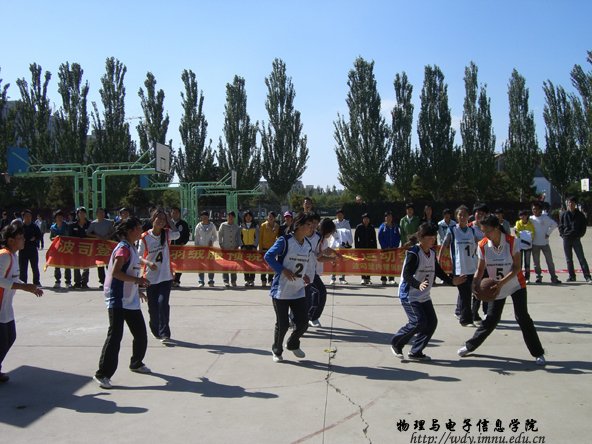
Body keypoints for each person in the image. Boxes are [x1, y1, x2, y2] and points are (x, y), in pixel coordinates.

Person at [457, 215, 547, 366]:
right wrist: (475, 283)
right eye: (483, 231)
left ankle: (538, 353)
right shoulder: (482, 245)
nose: (485, 234)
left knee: (522, 317)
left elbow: (517, 267)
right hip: (495, 287)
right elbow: (480, 269)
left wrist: (501, 283)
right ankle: (470, 346)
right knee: (491, 319)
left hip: (516, 285)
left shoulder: (512, 242)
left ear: (497, 228)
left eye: (487, 231)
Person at [391, 223, 465, 361]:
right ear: (421, 238)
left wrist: (452, 281)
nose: (433, 240)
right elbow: (407, 275)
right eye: (430, 237)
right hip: (409, 295)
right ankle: (396, 343)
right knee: (418, 322)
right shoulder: (414, 252)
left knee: (431, 322)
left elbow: (439, 272)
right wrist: (418, 284)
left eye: (434, 237)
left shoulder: (431, 253)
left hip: (424, 295)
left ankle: (416, 351)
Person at [93, 217, 152, 389]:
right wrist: (138, 281)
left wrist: (137, 289)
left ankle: (136, 363)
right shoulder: (123, 249)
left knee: (140, 334)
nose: (141, 231)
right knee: (115, 336)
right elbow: (116, 273)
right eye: (138, 228)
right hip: (117, 299)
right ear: (129, 230)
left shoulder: (132, 248)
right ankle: (102, 374)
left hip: (130, 299)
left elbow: (129, 273)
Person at [264, 212, 316, 363]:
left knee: (303, 322)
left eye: (312, 225)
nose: (311, 227)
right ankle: (277, 349)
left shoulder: (307, 245)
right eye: (308, 225)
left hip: (298, 289)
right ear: (298, 225)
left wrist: (304, 275)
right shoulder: (285, 241)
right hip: (281, 290)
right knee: (283, 324)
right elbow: (268, 256)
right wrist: (283, 270)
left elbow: (303, 263)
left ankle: (293, 343)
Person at [0, 224, 44, 383]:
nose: (24, 240)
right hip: (0, 306)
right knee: (3, 341)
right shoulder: (4, 256)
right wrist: (23, 287)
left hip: (6, 307)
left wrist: (29, 287)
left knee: (10, 337)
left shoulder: (13, 256)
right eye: (20, 238)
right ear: (11, 240)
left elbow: (14, 279)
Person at [139, 209, 180, 345]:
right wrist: (148, 263)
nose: (161, 221)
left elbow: (177, 234)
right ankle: (155, 327)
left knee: (163, 303)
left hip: (165, 276)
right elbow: (138, 256)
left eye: (164, 219)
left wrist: (170, 220)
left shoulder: (167, 233)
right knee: (153, 307)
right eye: (159, 218)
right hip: (150, 278)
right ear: (153, 219)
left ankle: (165, 333)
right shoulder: (145, 237)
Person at [438, 205, 480, 327]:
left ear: (468, 216)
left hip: (472, 266)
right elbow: (444, 245)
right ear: (456, 217)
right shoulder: (452, 230)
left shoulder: (472, 231)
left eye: (464, 215)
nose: (462, 217)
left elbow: (479, 244)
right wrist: (439, 260)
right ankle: (465, 320)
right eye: (460, 215)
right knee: (465, 294)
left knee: (470, 292)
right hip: (460, 268)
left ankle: (465, 314)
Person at [307, 217, 340, 327]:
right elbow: (319, 257)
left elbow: (326, 250)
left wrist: (336, 254)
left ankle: (307, 317)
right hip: (308, 271)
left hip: (313, 271)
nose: (330, 235)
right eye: (330, 232)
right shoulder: (316, 238)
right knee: (320, 292)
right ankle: (311, 317)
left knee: (312, 294)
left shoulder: (323, 240)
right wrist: (332, 258)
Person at [559, 196, 591, 283]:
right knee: (569, 259)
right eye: (569, 202)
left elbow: (583, 227)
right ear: (567, 204)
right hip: (566, 239)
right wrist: (562, 235)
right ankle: (572, 276)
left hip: (576, 239)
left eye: (572, 203)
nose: (571, 204)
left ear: (575, 204)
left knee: (581, 258)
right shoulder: (563, 214)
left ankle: (587, 276)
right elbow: (560, 226)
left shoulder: (580, 215)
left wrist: (580, 235)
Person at [530, 201, 561, 284]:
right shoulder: (530, 219)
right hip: (535, 244)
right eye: (533, 209)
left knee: (550, 262)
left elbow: (554, 224)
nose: (535, 211)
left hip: (545, 244)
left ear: (540, 210)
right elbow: (522, 224)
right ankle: (538, 277)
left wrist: (548, 233)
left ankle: (553, 277)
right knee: (536, 263)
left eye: (536, 209)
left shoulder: (545, 218)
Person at [87, 208, 115, 290]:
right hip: (98, 246)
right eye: (99, 213)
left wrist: (108, 236)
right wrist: (96, 236)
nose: (101, 214)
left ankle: (110, 281)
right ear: (96, 214)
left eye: (102, 213)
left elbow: (114, 231)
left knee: (109, 264)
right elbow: (88, 233)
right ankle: (102, 281)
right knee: (100, 264)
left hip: (108, 245)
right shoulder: (93, 223)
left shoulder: (109, 222)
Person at [194, 210, 218, 287]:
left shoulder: (212, 225)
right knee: (201, 265)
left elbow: (215, 236)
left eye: (206, 217)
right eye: (203, 217)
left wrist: (212, 240)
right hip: (201, 248)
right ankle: (201, 281)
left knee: (211, 264)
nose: (204, 218)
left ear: (208, 217)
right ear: (201, 217)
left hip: (210, 248)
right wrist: (196, 247)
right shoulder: (198, 226)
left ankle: (211, 280)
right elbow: (196, 237)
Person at [69, 207, 91, 289]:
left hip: (87, 248)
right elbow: (70, 236)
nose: (81, 215)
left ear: (85, 214)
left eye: (83, 213)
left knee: (86, 265)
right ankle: (77, 282)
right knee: (76, 265)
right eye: (80, 213)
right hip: (76, 248)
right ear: (77, 214)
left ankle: (84, 282)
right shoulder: (73, 225)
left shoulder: (90, 224)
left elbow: (92, 235)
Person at [49, 210, 72, 289]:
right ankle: (57, 281)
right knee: (57, 266)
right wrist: (55, 238)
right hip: (57, 249)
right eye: (58, 217)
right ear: (55, 218)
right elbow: (51, 238)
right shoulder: (53, 227)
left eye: (61, 217)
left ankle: (68, 282)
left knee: (67, 265)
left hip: (66, 248)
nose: (60, 218)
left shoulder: (67, 226)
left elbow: (70, 236)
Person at [218, 211, 242, 287]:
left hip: (233, 248)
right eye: (229, 216)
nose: (230, 218)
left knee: (233, 265)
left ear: (234, 218)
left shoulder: (237, 227)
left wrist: (238, 245)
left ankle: (233, 281)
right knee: (225, 265)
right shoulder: (223, 225)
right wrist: (221, 244)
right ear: (227, 217)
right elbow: (220, 235)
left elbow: (238, 237)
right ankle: (226, 281)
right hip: (225, 248)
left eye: (232, 217)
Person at [19, 209, 42, 287]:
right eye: (26, 216)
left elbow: (39, 236)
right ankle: (23, 282)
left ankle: (36, 282)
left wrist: (35, 238)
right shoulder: (20, 227)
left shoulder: (34, 226)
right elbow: (16, 236)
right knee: (23, 267)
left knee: (35, 267)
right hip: (23, 249)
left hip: (33, 249)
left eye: (29, 216)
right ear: (23, 217)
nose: (28, 218)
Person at [378, 211, 400, 286]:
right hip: (385, 249)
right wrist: (384, 246)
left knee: (392, 264)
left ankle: (391, 279)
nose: (389, 218)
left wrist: (395, 245)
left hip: (393, 249)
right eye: (387, 217)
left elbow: (398, 237)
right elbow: (380, 237)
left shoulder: (395, 227)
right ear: (385, 218)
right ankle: (383, 278)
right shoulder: (382, 227)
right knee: (384, 264)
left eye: (390, 217)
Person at [170, 206, 190, 287]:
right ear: (171, 213)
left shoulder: (183, 224)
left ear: (179, 214)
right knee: (169, 264)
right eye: (173, 212)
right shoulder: (167, 223)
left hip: (180, 248)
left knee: (179, 264)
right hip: (169, 248)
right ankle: (170, 280)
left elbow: (187, 235)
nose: (175, 214)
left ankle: (176, 280)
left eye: (177, 213)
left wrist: (183, 242)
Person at [355, 213, 377, 285]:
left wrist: (375, 249)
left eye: (367, 219)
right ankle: (363, 278)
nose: (366, 220)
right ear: (362, 219)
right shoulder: (359, 227)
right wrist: (357, 248)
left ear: (369, 220)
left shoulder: (372, 227)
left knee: (369, 263)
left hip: (370, 248)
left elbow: (374, 239)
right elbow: (356, 238)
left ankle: (368, 278)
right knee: (362, 263)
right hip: (361, 248)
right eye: (364, 219)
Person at [332, 209, 352, 285]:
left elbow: (349, 233)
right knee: (334, 261)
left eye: (341, 214)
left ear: (343, 215)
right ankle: (333, 278)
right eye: (338, 214)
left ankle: (342, 278)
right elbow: (331, 232)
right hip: (335, 244)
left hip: (343, 245)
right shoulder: (333, 222)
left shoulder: (346, 223)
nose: (340, 216)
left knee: (343, 261)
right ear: (336, 215)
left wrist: (349, 242)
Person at [259, 211, 279, 287]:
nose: (270, 218)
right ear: (267, 217)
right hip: (264, 248)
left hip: (272, 248)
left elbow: (278, 236)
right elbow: (260, 237)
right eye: (269, 216)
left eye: (272, 217)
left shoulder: (277, 226)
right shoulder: (263, 225)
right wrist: (260, 248)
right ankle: (263, 280)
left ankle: (270, 279)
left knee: (271, 264)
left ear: (275, 218)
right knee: (263, 265)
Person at [515, 209, 535, 284]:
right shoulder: (518, 223)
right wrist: (526, 235)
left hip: (528, 246)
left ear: (527, 216)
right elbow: (517, 233)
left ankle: (527, 277)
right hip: (520, 246)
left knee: (527, 263)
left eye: (524, 215)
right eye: (521, 216)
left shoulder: (530, 224)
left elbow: (533, 234)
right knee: (519, 263)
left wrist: (524, 235)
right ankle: (519, 277)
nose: (522, 217)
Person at [240, 211, 258, 287]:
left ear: (252, 217)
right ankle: (247, 280)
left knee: (253, 264)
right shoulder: (241, 226)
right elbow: (239, 237)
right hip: (244, 248)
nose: (248, 217)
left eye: (249, 216)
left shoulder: (255, 226)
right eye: (246, 216)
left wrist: (255, 246)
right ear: (244, 217)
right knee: (245, 264)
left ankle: (252, 280)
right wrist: (242, 246)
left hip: (252, 248)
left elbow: (257, 237)